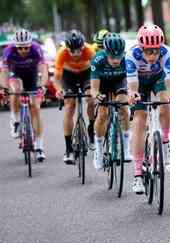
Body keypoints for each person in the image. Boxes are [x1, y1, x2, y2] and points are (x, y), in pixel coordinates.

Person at [126, 24, 170, 194]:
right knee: (139, 120)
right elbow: (132, 86)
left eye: (156, 50)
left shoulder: (167, 52)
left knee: (165, 100)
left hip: (157, 79)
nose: (153, 55)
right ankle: (138, 174)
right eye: (148, 51)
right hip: (139, 83)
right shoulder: (132, 55)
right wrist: (133, 95)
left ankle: (165, 140)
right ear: (141, 48)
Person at [1, 28, 48, 161]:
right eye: (20, 48)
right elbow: (4, 72)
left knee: (36, 108)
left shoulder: (36, 49)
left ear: (30, 44)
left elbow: (43, 69)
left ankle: (39, 147)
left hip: (32, 77)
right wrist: (4, 88)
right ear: (15, 46)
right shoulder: (8, 51)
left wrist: (43, 85)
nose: (23, 51)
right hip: (15, 75)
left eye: (26, 48)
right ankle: (15, 120)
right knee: (16, 90)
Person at [91, 33, 132, 170]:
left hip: (118, 82)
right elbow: (94, 89)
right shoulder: (98, 60)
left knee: (124, 109)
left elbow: (131, 84)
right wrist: (97, 96)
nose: (115, 60)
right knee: (102, 114)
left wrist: (132, 96)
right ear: (105, 52)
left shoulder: (127, 60)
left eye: (118, 56)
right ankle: (98, 149)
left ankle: (126, 148)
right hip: (102, 84)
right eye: (112, 57)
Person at [54, 30, 95, 164]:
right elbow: (57, 78)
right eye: (73, 51)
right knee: (69, 106)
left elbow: (98, 71)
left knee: (90, 97)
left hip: (86, 74)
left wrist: (97, 89)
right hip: (69, 76)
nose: (76, 54)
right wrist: (59, 90)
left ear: (83, 46)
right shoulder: (62, 53)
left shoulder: (89, 50)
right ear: (67, 48)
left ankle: (91, 128)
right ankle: (69, 149)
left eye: (79, 50)